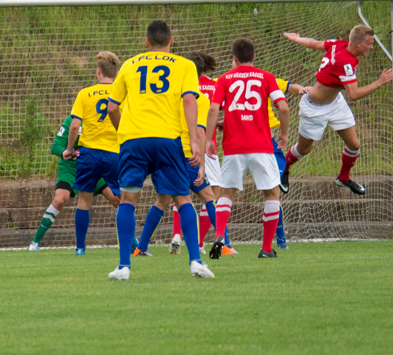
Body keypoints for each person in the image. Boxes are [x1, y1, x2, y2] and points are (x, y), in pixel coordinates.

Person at [105, 20, 214, 280]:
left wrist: (124, 135)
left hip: (134, 140)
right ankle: (196, 262)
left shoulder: (130, 64)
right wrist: (194, 142)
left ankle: (123, 267)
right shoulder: (185, 65)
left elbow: (111, 107)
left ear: (146, 42)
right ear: (171, 41)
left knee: (129, 200)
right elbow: (189, 100)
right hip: (168, 140)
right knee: (183, 199)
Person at [282, 26, 393, 195]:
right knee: (304, 149)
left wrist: (298, 39)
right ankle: (283, 169)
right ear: (358, 44)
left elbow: (314, 44)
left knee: (354, 144)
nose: (372, 47)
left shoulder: (339, 44)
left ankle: (343, 178)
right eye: (369, 44)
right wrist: (379, 82)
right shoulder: (346, 63)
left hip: (335, 102)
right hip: (315, 108)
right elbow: (354, 94)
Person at [205, 38, 290, 260]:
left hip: (233, 147)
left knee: (226, 195)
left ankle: (219, 242)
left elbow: (214, 109)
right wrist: (284, 133)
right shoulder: (267, 77)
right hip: (261, 145)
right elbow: (283, 106)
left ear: (233, 58)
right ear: (254, 57)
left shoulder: (224, 79)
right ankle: (266, 248)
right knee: (271, 194)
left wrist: (209, 139)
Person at [135, 51, 215, 257]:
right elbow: (199, 130)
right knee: (207, 197)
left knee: (163, 200)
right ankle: (221, 244)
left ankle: (141, 247)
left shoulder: (170, 94)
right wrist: (202, 164)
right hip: (187, 154)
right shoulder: (199, 98)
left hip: (163, 151)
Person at [28, 115, 120, 251]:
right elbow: (55, 147)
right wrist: (65, 152)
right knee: (59, 200)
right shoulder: (71, 121)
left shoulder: (99, 120)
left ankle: (132, 243)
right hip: (70, 168)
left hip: (91, 166)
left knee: (116, 199)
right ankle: (35, 242)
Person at [61, 52, 123, 255]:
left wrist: (70, 149)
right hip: (115, 153)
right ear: (116, 73)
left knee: (84, 201)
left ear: (98, 72)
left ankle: (80, 248)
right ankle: (130, 244)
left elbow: (74, 126)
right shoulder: (122, 93)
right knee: (123, 200)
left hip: (89, 154)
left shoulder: (84, 93)